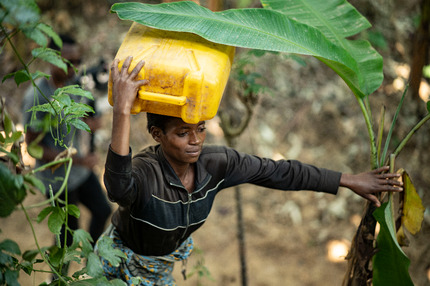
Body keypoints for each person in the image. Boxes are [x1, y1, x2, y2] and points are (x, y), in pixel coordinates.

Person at [95, 56, 403, 285]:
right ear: (157, 135)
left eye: (200, 129)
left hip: (159, 270)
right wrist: (122, 111)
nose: (196, 140)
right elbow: (119, 188)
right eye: (182, 133)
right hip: (118, 264)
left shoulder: (216, 164)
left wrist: (348, 180)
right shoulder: (146, 173)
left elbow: (278, 172)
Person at [22, 35, 112, 249]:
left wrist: (92, 122)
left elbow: (90, 119)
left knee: (103, 211)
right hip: (57, 180)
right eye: (68, 62)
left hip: (80, 172)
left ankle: (90, 257)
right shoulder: (38, 96)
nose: (75, 67)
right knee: (66, 237)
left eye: (78, 61)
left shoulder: (77, 85)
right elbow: (33, 148)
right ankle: (58, 281)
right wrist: (77, 159)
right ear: (50, 60)